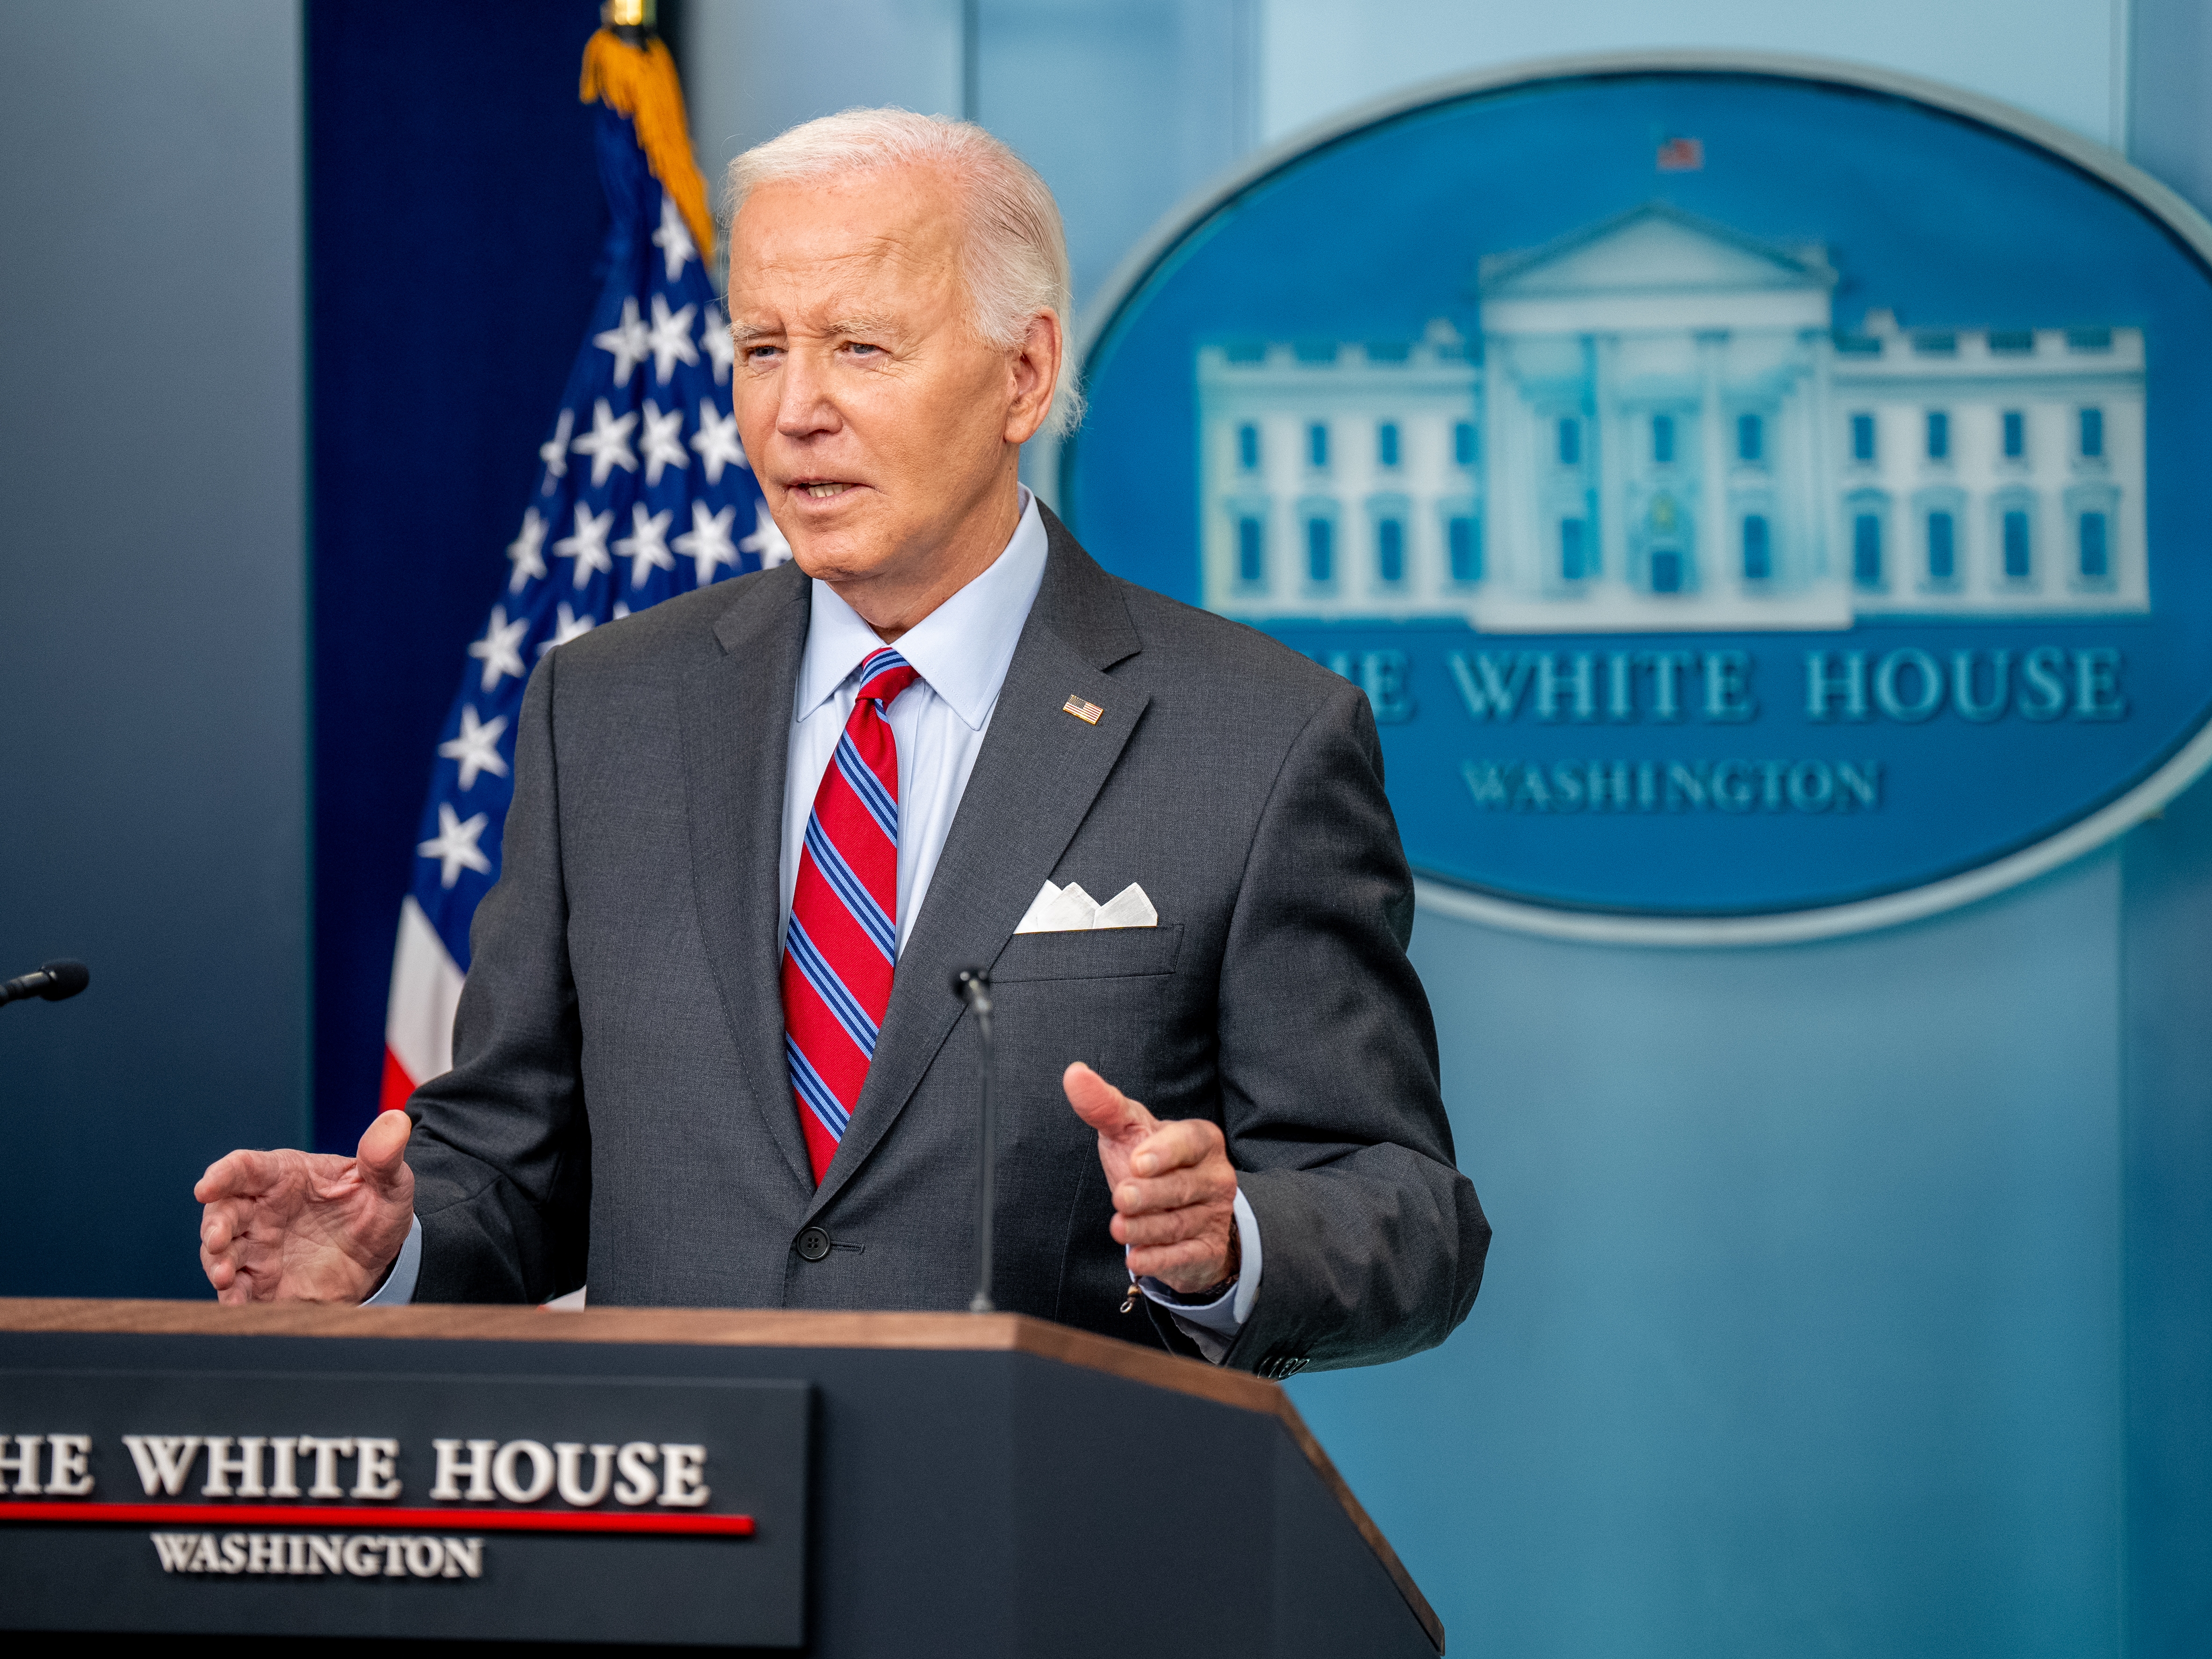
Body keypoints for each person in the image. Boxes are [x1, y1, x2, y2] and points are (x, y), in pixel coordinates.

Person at [197, 109, 1488, 1375]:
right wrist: (383, 1255)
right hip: (678, 1549)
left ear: (1023, 375)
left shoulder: (1255, 736)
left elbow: (1402, 1210)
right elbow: (512, 1170)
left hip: (1037, 1549)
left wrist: (1230, 1240)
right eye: (762, 348)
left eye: (862, 347)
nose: (795, 408)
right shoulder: (602, 707)